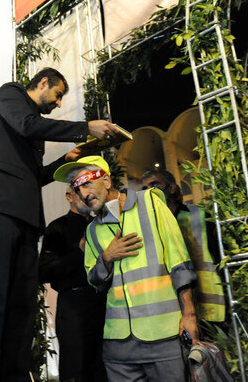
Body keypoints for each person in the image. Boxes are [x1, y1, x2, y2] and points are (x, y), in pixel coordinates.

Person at [0, 67, 119, 381]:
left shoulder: (29, 135)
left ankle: (15, 375)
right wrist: (85, 127)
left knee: (21, 306)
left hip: (24, 220)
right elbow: (27, 123)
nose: (59, 103)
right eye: (58, 94)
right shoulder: (10, 93)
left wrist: (65, 161)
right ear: (43, 82)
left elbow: (33, 177)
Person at [53, 156, 198, 382]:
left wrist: (189, 314)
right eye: (76, 188)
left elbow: (179, 260)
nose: (83, 193)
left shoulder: (150, 203)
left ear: (107, 181)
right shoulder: (91, 231)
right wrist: (107, 258)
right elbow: (95, 280)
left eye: (87, 183)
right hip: (118, 347)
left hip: (163, 335)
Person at [39, 187, 107, 382]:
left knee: (103, 367)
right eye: (80, 190)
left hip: (105, 304)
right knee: (76, 369)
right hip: (74, 307)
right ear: (69, 196)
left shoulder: (100, 223)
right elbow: (43, 271)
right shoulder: (57, 227)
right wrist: (79, 251)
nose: (87, 194)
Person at [141, 169, 225, 323]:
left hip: (209, 308)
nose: (149, 192)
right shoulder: (146, 227)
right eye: (144, 189)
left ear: (172, 188)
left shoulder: (200, 215)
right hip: (172, 314)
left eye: (154, 185)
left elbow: (221, 256)